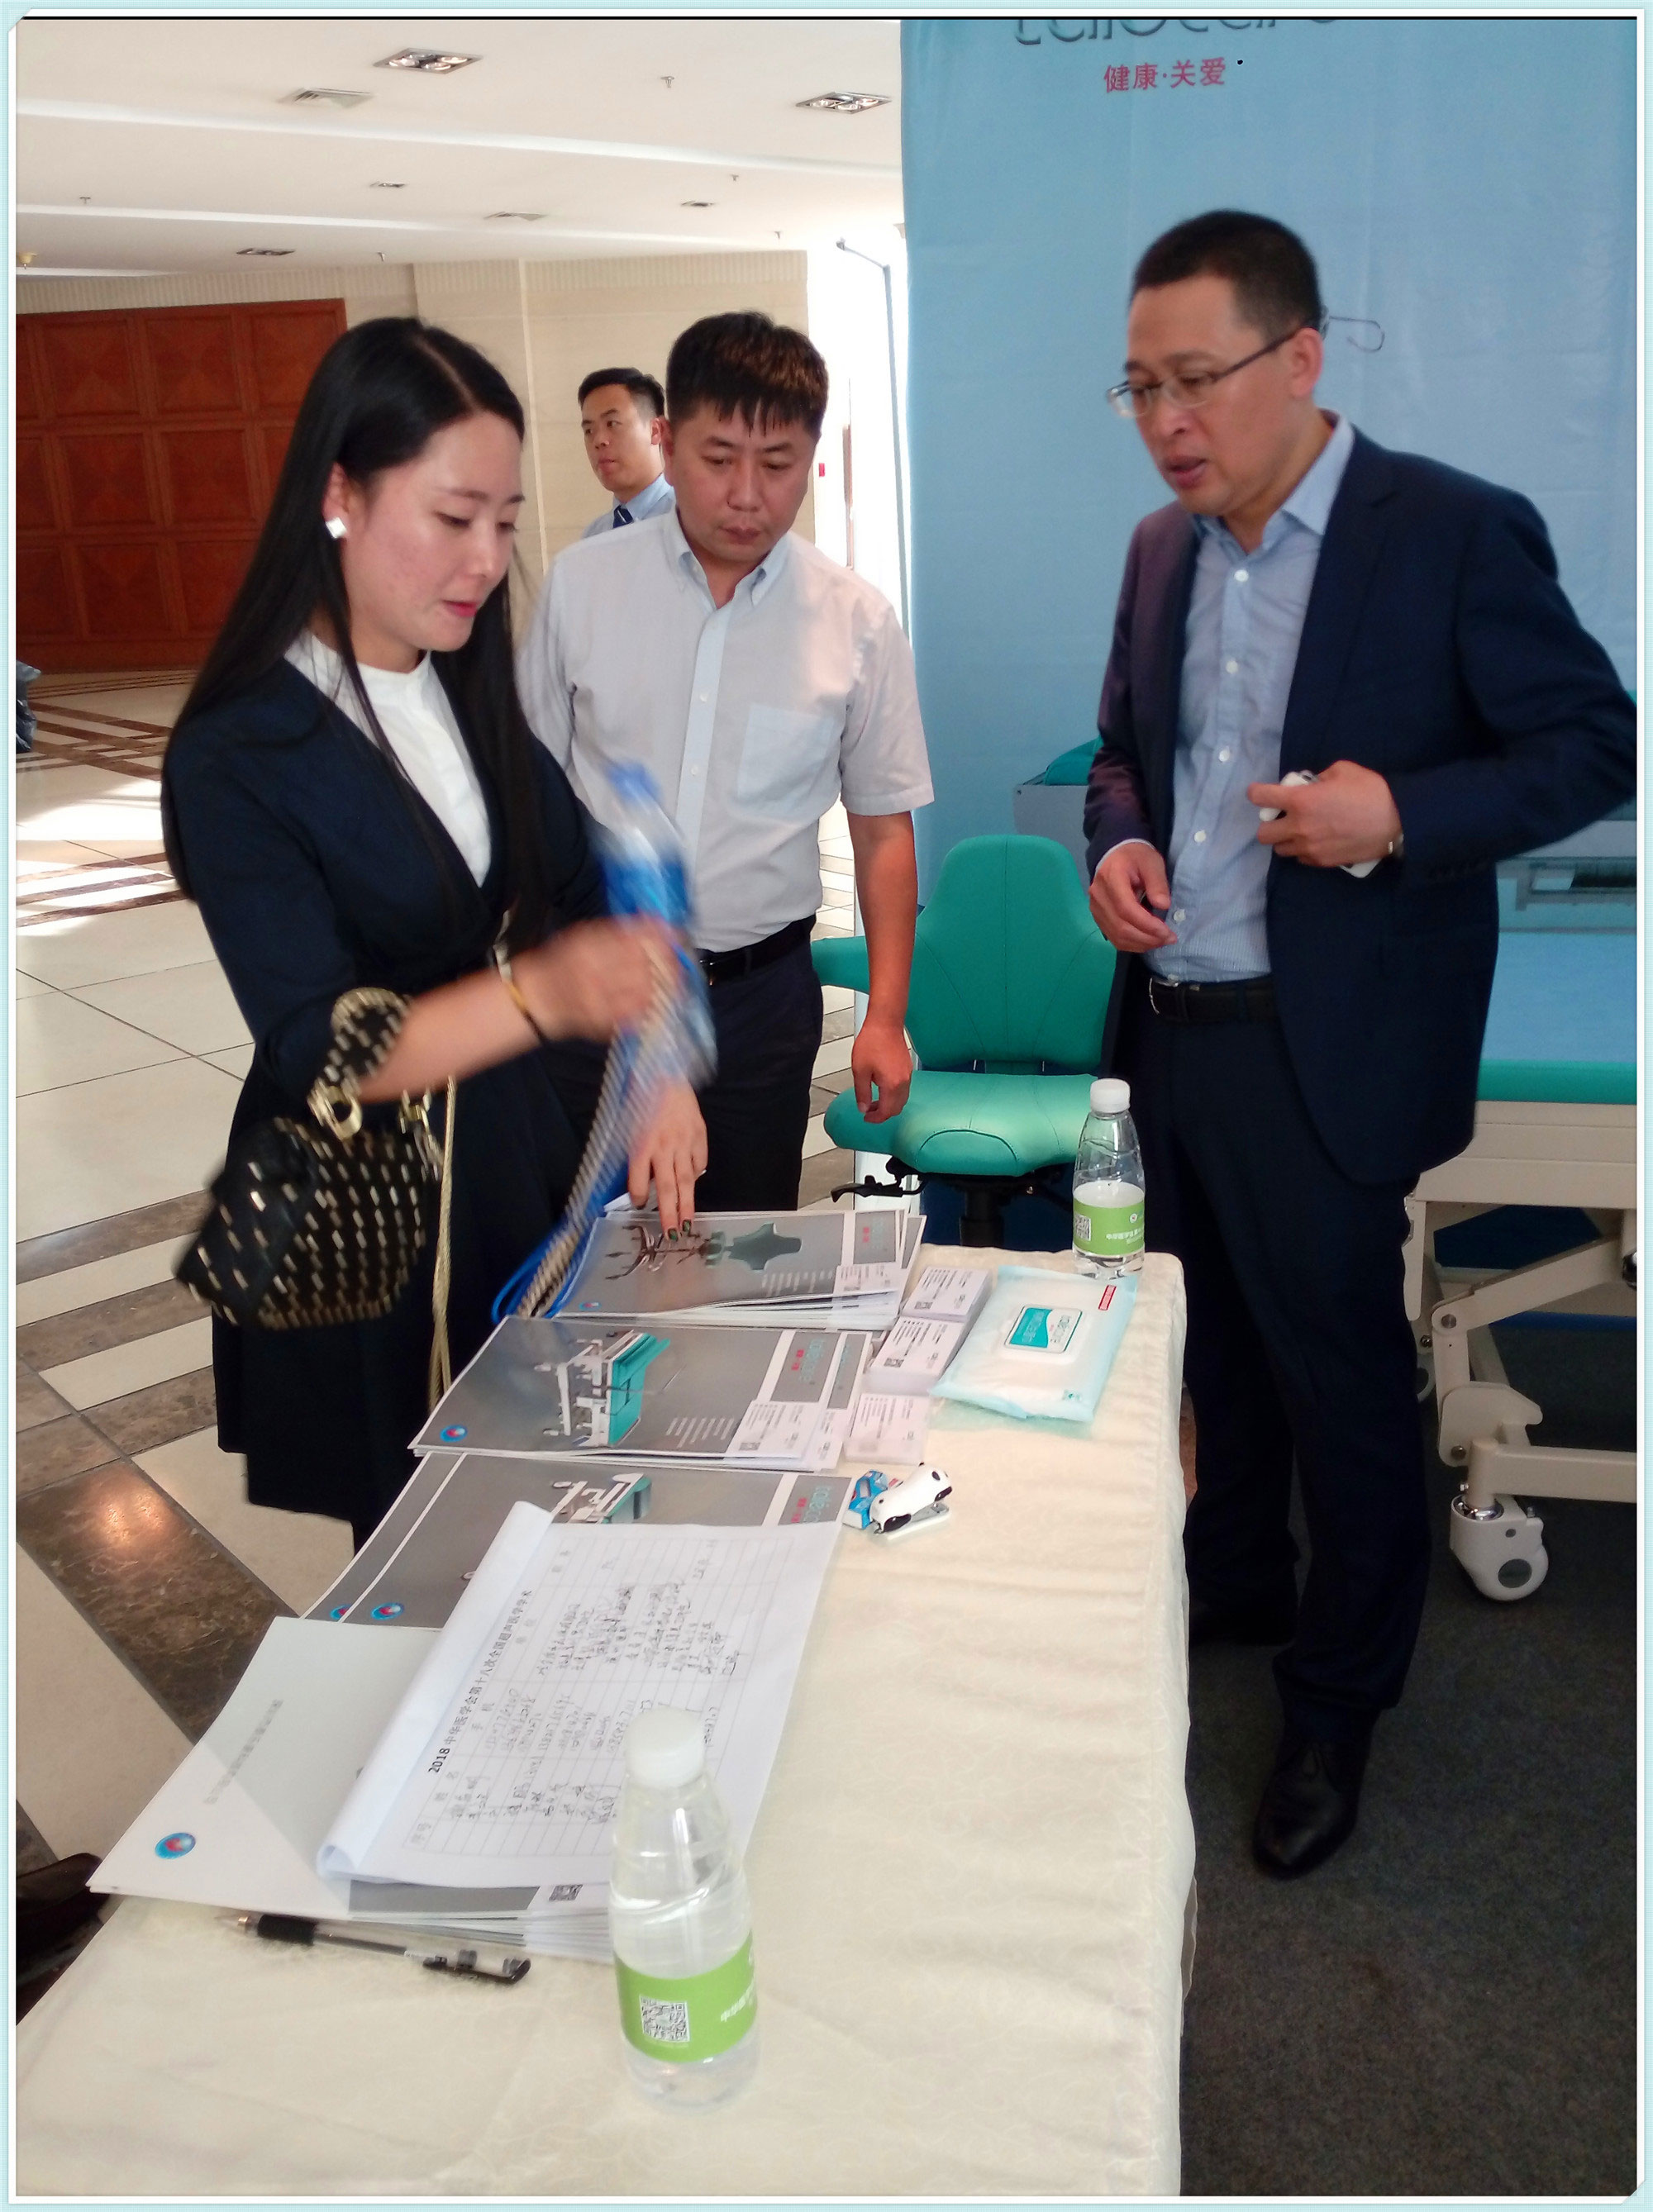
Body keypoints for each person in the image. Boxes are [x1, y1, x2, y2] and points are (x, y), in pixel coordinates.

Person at [1083, 211, 1636, 1877]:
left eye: (1196, 379)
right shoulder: (1159, 552)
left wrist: (1400, 815)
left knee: (1341, 1386)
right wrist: (1118, 838)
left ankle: (1336, 1707)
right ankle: (1243, 1583)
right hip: (1172, 1029)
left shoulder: (1448, 531)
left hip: (1323, 1048)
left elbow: (1591, 745)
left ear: (1301, 357)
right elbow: (1123, 749)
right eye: (1139, 387)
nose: (1168, 419)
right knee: (1208, 1353)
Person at [164, 319, 694, 1550]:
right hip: (361, 1195)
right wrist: (541, 994)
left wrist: (660, 1069)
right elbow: (324, 1044)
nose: (486, 560)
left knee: (537, 1478)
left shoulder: (461, 681)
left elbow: (581, 880)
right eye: (454, 518)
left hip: (503, 1144)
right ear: (339, 494)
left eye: (505, 522)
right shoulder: (240, 749)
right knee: (415, 1531)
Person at [521, 312, 932, 1215]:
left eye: (777, 464)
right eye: (718, 459)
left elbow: (882, 832)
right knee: (586, 1252)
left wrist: (885, 1015)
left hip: (758, 1002)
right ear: (668, 445)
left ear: (811, 461)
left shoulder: (855, 622)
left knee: (747, 1248)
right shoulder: (583, 588)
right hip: (597, 985)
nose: (747, 494)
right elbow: (526, 795)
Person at [578, 367, 674, 536]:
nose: (599, 441)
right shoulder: (594, 536)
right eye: (589, 431)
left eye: (612, 424)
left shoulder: (689, 521)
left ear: (655, 431)